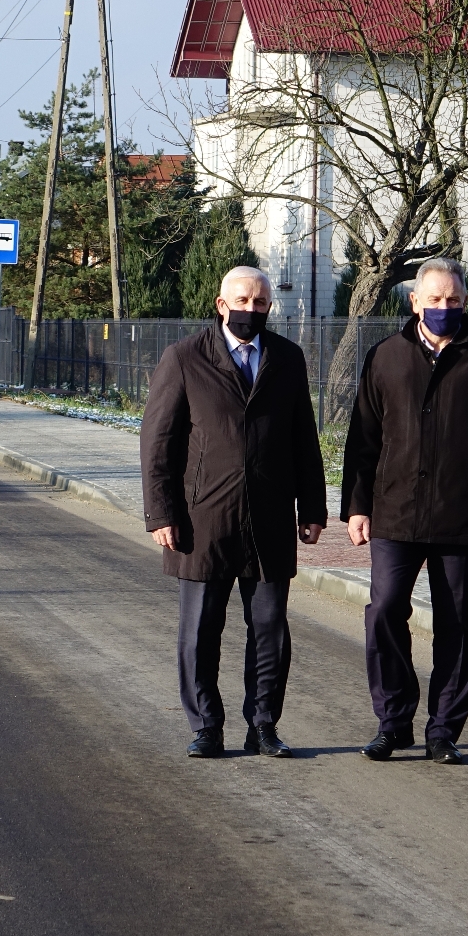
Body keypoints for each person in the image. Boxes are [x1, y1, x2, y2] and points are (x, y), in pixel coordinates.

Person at [341, 258, 468, 764]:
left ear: (465, 303)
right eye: (435, 299)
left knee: (460, 625)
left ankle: (443, 729)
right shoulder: (386, 357)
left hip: (465, 518)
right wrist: (357, 506)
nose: (444, 307)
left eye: (453, 300)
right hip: (394, 513)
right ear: (414, 301)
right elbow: (363, 439)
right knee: (382, 613)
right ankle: (393, 720)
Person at [141, 265, 328, 759]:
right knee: (200, 629)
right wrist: (161, 513)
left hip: (269, 518)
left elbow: (303, 439)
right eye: (242, 300)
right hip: (203, 518)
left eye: (261, 302)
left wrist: (312, 506)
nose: (251, 309)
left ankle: (263, 724)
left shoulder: (287, 359)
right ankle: (206, 725)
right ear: (222, 304)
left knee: (269, 628)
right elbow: (157, 442)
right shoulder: (184, 358)